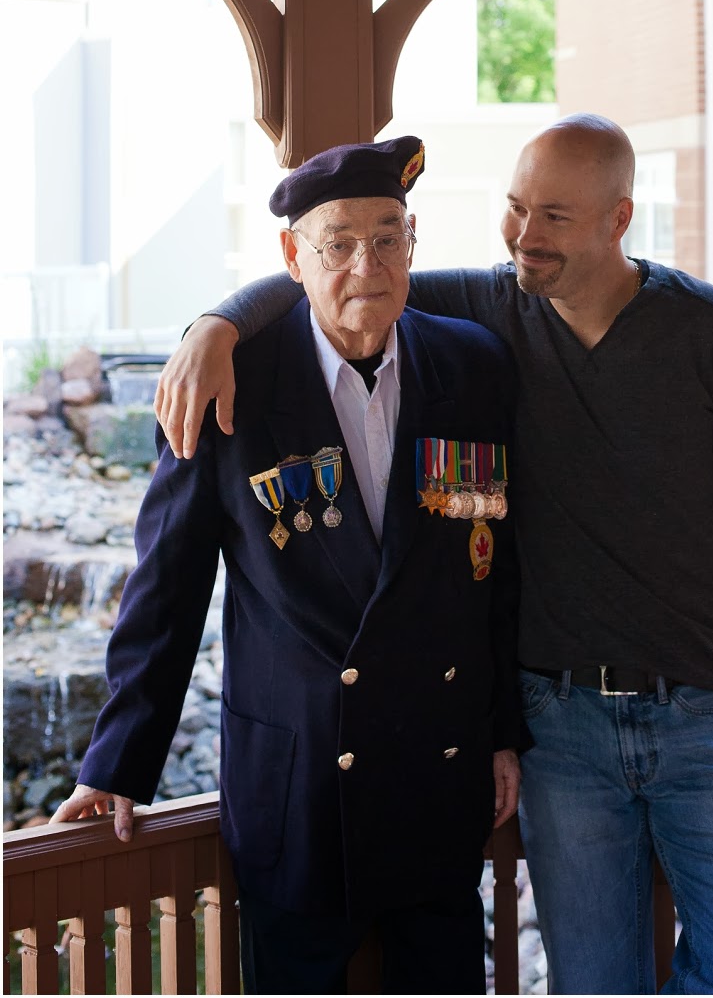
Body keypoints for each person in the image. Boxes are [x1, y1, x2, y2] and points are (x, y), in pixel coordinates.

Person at [155, 114, 713, 996]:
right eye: (516, 207)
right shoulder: (497, 301)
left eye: (554, 216)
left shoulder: (710, 329)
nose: (524, 235)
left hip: (703, 711)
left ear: (619, 219)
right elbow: (337, 271)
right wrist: (216, 324)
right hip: (563, 725)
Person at [51, 136, 521, 997]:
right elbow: (167, 588)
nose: (367, 265)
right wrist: (115, 762)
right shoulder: (230, 383)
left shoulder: (474, 365)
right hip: (301, 788)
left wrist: (503, 732)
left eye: (388, 237)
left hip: (438, 770)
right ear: (291, 255)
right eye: (338, 242)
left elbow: (496, 575)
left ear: (413, 240)